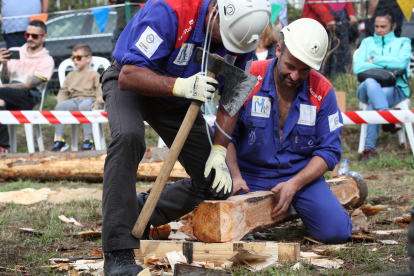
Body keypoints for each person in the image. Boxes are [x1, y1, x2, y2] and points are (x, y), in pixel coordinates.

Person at [100, 0, 271, 274]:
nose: (227, 47)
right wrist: (181, 85)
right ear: (215, 10)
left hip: (179, 102)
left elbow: (233, 98)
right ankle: (117, 250)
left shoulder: (243, 34)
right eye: (223, 38)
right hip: (131, 83)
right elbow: (129, 76)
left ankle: (135, 213)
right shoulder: (171, 11)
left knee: (214, 183)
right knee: (128, 138)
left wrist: (218, 151)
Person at [227, 18, 352, 244]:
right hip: (248, 175)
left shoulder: (322, 90)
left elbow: (330, 151)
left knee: (336, 232)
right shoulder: (248, 77)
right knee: (224, 228)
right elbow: (225, 136)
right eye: (290, 66)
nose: (295, 76)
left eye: (304, 70)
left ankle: (303, 204)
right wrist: (234, 176)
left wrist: (294, 184)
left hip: (300, 176)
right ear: (278, 50)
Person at [353, 9, 411, 163]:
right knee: (371, 84)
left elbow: (402, 63)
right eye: (376, 26)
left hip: (395, 89)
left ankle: (368, 149)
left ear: (393, 26)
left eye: (383, 26)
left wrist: (375, 60)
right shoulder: (367, 42)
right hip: (365, 89)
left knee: (373, 94)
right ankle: (388, 120)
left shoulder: (403, 42)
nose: (378, 30)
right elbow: (357, 68)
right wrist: (387, 64)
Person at [0, 20, 54, 153]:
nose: (30, 38)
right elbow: (4, 79)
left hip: (29, 96)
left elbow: (28, 85)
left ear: (44, 37)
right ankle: (3, 147)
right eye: (27, 35)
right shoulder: (14, 52)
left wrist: (2, 88)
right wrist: (5, 65)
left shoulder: (47, 60)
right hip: (6, 94)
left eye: (34, 36)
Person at [51, 44, 104, 152]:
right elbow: (63, 91)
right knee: (60, 107)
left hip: (89, 100)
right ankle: (59, 140)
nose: (75, 60)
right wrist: (62, 103)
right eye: (73, 57)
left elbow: (100, 92)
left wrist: (97, 104)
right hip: (73, 101)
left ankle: (88, 140)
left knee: (84, 106)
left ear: (88, 58)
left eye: (78, 57)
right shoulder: (70, 75)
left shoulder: (94, 74)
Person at [302, 0, 357, 78]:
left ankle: (336, 77)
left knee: (335, 51)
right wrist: (328, 18)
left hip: (332, 23)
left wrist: (351, 13)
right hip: (316, 25)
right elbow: (315, 3)